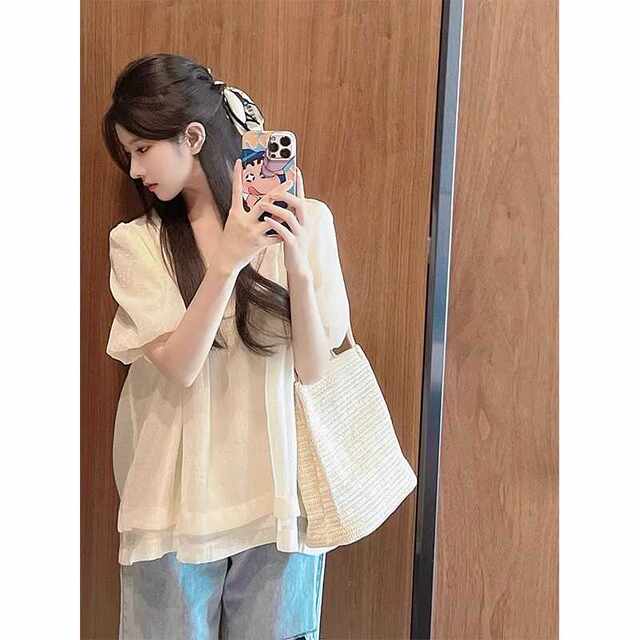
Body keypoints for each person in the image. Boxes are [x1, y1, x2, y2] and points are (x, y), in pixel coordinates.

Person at [101, 53, 351, 639]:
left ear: (192, 137)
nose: (135, 170)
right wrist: (228, 260)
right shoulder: (137, 243)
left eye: (142, 148)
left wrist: (297, 264)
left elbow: (315, 368)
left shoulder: (310, 222)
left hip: (280, 501)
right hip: (172, 503)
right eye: (128, 153)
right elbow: (180, 366)